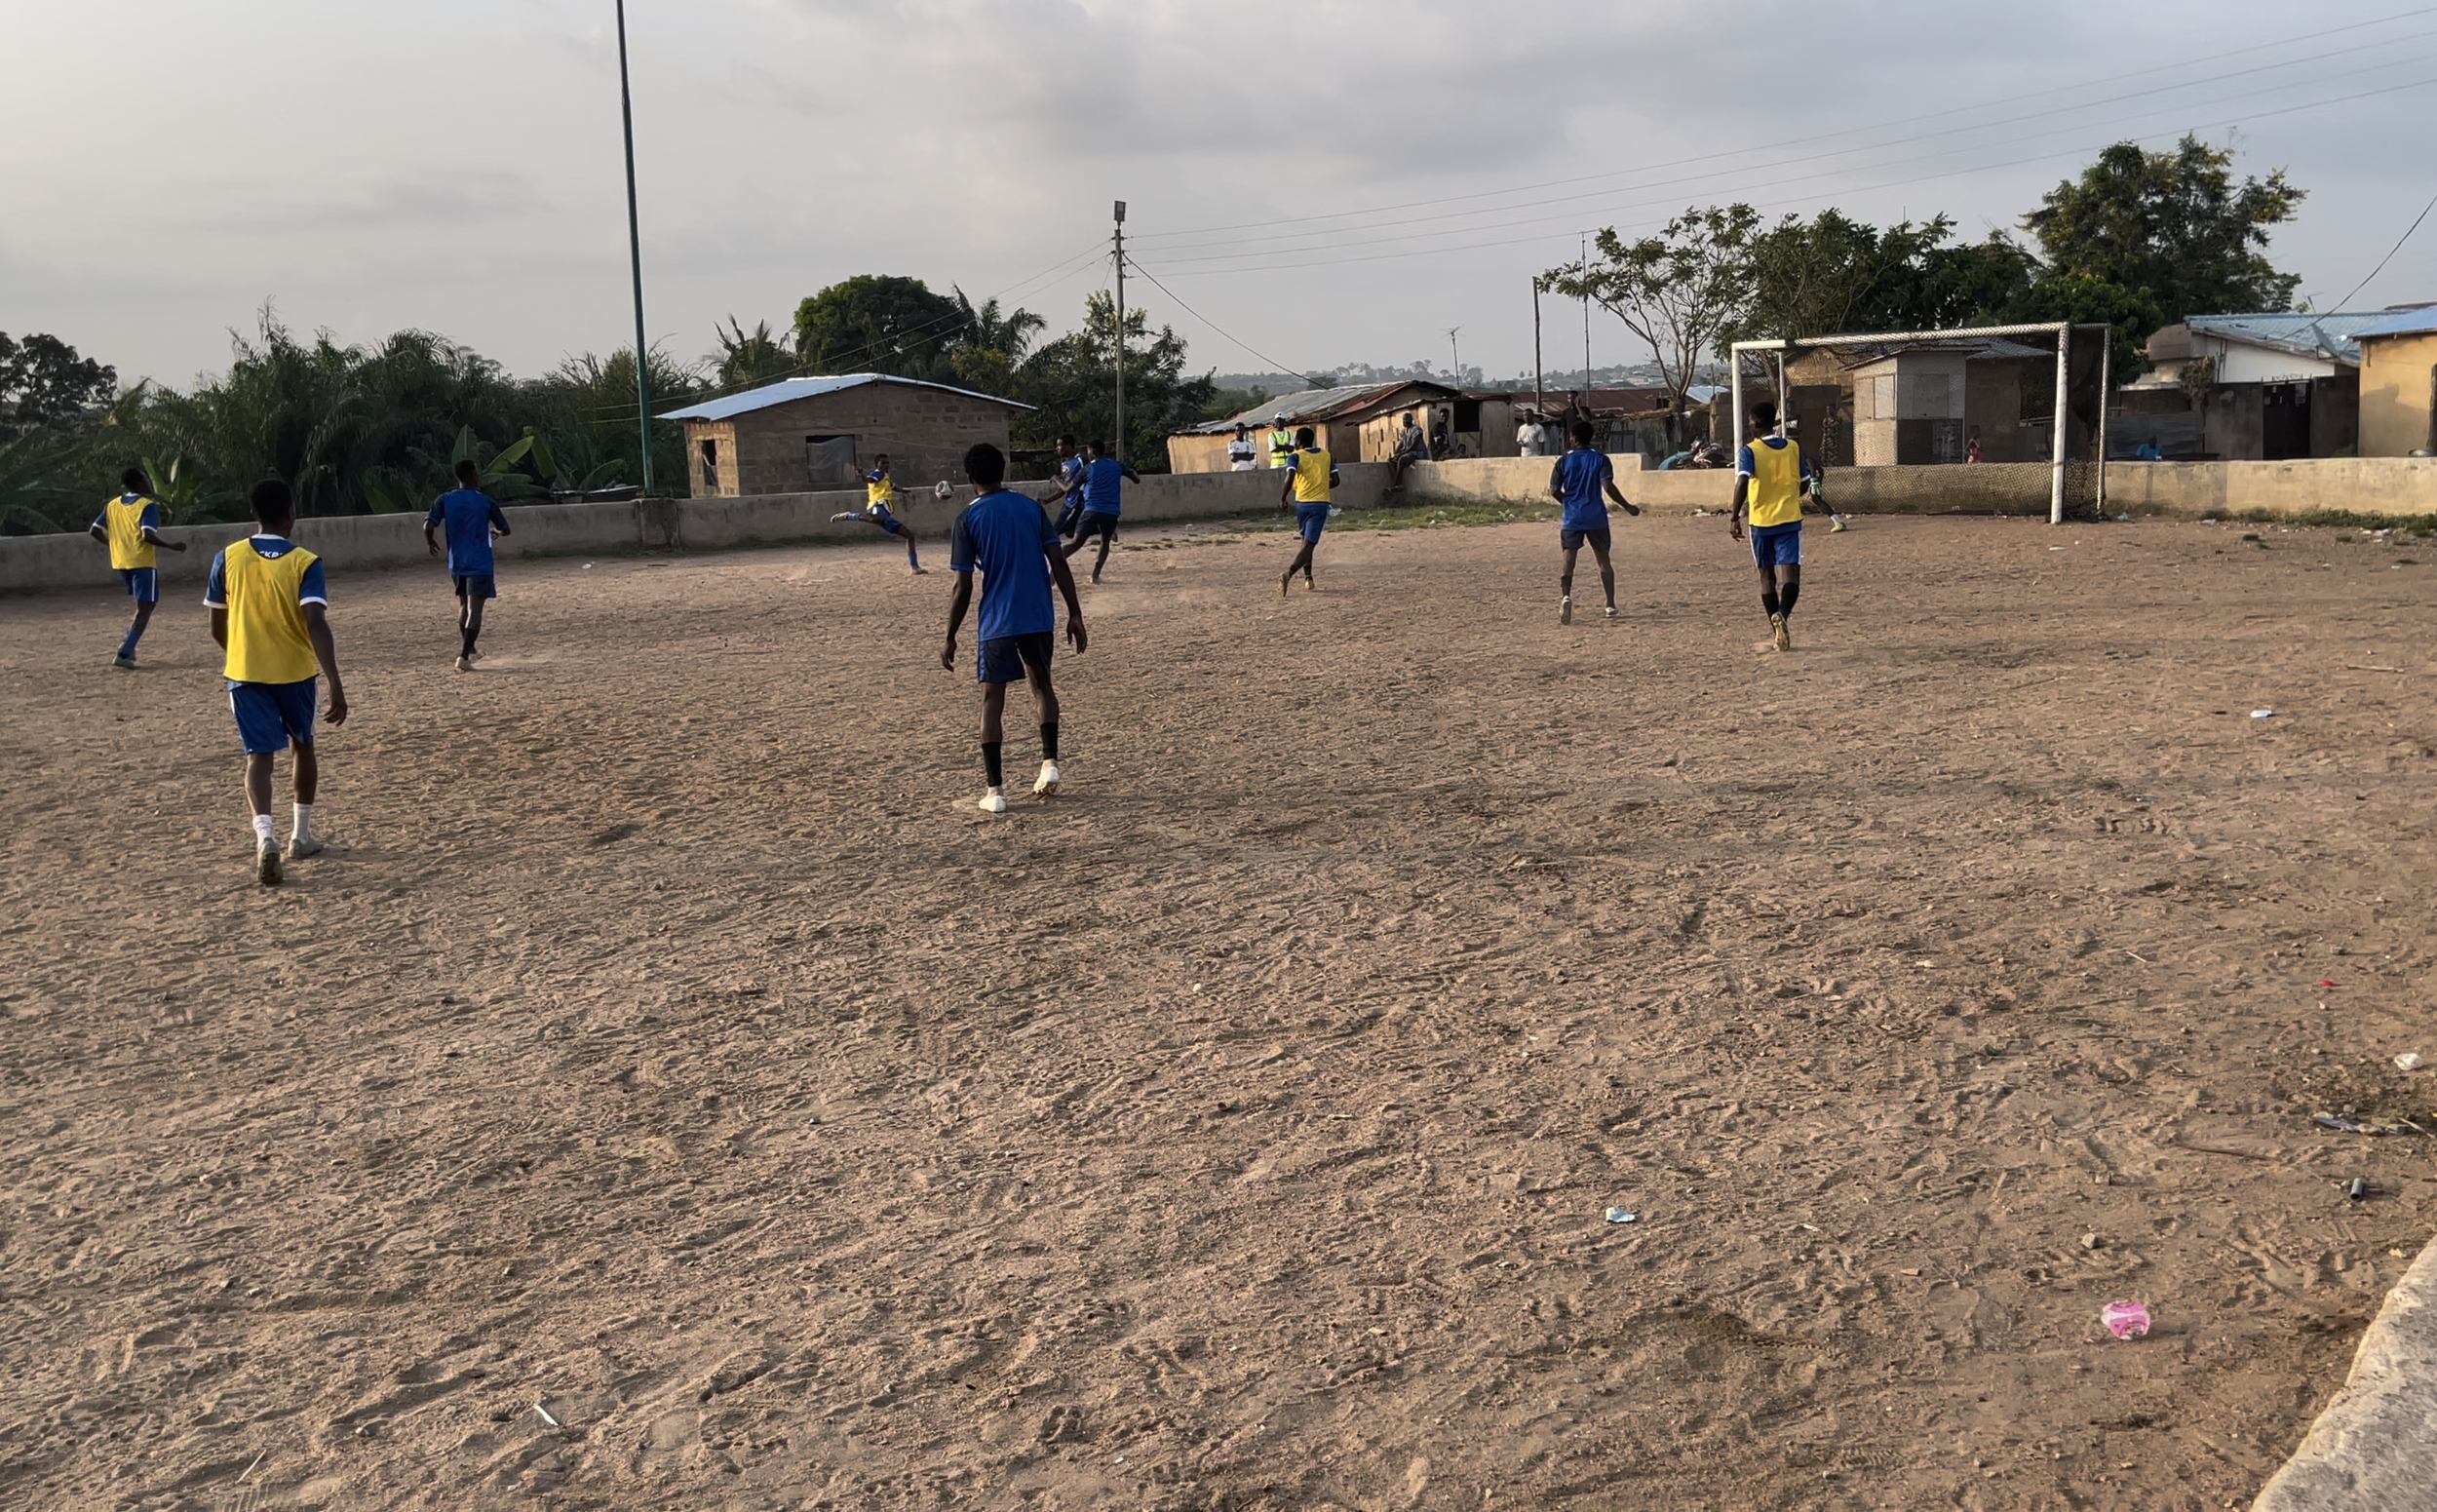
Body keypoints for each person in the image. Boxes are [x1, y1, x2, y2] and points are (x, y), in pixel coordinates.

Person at [206, 479, 349, 885]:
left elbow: (217, 625)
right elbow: (316, 623)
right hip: (296, 673)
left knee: (258, 758)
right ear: (291, 514)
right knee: (302, 746)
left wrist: (240, 655)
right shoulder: (305, 561)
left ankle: (265, 836)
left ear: (254, 515)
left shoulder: (227, 558)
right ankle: (300, 836)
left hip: (245, 672)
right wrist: (336, 681)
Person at [943, 443, 1087, 814]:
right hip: (1038, 615)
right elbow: (1058, 561)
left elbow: (964, 587)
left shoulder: (966, 519)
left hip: (998, 621)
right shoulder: (1031, 508)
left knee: (992, 700)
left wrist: (950, 636)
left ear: (970, 476)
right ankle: (1049, 764)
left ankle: (995, 791)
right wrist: (1074, 613)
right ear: (1002, 469)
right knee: (1043, 686)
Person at [1729, 401, 1816, 653]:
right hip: (1789, 519)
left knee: (1766, 577)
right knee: (1792, 576)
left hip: (1760, 523)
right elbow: (1804, 484)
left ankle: (1776, 628)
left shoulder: (1750, 451)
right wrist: (1787, 495)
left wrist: (1734, 516)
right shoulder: (1792, 447)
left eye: (1749, 422)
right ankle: (1783, 614)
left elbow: (1742, 481)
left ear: (1755, 424)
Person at [89, 465, 187, 669]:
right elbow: (147, 535)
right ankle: (125, 653)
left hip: (121, 562)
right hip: (141, 562)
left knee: (143, 605)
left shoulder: (112, 505)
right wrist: (172, 546)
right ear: (140, 482)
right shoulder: (147, 506)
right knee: (146, 607)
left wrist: (113, 545)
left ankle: (129, 645)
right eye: (145, 479)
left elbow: (95, 530)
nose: (149, 483)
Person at [423, 459, 513, 671]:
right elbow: (506, 529)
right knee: (475, 610)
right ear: (473, 475)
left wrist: (431, 542)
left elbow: (428, 525)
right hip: (479, 563)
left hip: (457, 563)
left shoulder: (445, 500)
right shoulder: (485, 502)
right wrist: (497, 533)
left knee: (464, 604)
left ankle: (471, 651)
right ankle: (463, 657)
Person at [1548, 419, 1640, 624]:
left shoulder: (1563, 461)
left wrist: (1568, 502)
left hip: (1572, 518)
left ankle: (1566, 596)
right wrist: (1627, 506)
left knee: (1568, 560)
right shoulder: (1601, 459)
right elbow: (1607, 487)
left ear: (1574, 439)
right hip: (1596, 517)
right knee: (1603, 561)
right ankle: (1610, 604)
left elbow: (1553, 490)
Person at [826, 451, 926, 574]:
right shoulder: (877, 474)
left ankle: (914, 567)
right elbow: (869, 480)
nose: (885, 465)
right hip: (877, 505)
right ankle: (849, 516)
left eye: (887, 463)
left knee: (909, 536)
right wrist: (862, 475)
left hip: (886, 511)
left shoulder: (885, 476)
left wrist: (903, 491)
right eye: (883, 463)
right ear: (877, 464)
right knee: (876, 519)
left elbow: (892, 486)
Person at [1061, 440, 1139, 585]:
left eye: (1088, 452)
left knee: (1075, 543)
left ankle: (1054, 570)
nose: (1088, 455)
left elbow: (1068, 489)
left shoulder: (1088, 468)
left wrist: (1054, 479)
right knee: (1105, 541)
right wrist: (1132, 473)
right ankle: (1095, 576)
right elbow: (1136, 479)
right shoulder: (1117, 465)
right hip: (1111, 512)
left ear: (1093, 452)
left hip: (1091, 510)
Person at [1276, 425, 1339, 596]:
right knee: (1309, 545)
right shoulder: (1327, 455)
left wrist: (1283, 498)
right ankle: (1288, 573)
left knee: (1306, 543)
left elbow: (1290, 477)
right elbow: (1336, 480)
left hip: (1302, 504)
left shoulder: (1295, 457)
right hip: (1319, 504)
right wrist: (1320, 485)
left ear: (1299, 441)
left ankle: (1308, 578)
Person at [1048, 435, 1088, 538]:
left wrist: (1056, 479)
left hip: (1076, 505)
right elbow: (1064, 488)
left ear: (1068, 446)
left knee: (1054, 533)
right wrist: (1047, 500)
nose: (1057, 448)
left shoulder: (1080, 462)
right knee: (1070, 534)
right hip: (1068, 504)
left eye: (1059, 445)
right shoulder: (1065, 464)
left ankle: (1105, 529)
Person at [1387, 410, 1429, 492]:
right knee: (1390, 460)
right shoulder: (1404, 432)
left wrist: (1402, 453)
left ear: (1411, 420)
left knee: (1401, 459)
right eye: (1404, 420)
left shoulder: (1416, 429)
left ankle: (1396, 484)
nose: (1405, 421)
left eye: (1407, 419)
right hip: (1408, 452)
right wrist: (1396, 453)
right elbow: (1401, 444)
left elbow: (1414, 445)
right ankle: (1398, 481)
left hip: (1418, 452)